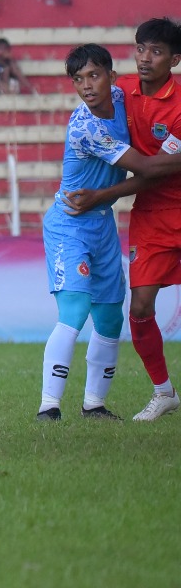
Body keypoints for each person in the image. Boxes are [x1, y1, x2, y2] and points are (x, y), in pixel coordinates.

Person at [35, 44, 181, 422]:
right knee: (75, 309)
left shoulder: (123, 97)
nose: (86, 85)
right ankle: (48, 407)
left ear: (111, 77)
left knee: (111, 317)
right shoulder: (86, 127)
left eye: (93, 75)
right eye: (78, 79)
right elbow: (146, 168)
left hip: (100, 222)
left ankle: (94, 405)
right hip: (70, 221)